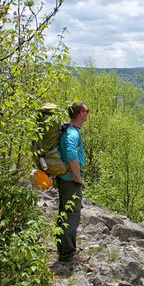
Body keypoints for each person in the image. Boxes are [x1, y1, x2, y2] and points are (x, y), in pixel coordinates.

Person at [55, 101, 88, 263]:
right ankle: (68, 255)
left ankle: (63, 251)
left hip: (64, 178)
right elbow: (70, 154)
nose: (88, 113)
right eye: (87, 110)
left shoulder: (68, 130)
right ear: (81, 113)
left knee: (64, 214)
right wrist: (78, 178)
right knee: (71, 217)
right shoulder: (73, 133)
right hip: (70, 180)